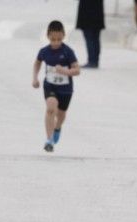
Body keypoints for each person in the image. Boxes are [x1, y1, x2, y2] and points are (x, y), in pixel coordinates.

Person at [32, 21, 80, 153]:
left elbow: (77, 70)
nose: (56, 42)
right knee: (50, 109)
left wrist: (65, 71)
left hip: (65, 89)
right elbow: (37, 63)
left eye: (59, 39)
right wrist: (35, 78)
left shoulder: (68, 51)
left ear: (64, 36)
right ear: (48, 36)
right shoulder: (44, 51)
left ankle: (57, 127)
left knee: (61, 114)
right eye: (53, 39)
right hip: (50, 86)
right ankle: (49, 140)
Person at [76, 0, 105, 69]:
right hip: (97, 12)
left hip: (87, 12)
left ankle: (92, 61)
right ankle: (95, 61)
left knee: (90, 37)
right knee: (95, 37)